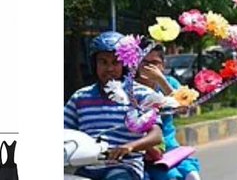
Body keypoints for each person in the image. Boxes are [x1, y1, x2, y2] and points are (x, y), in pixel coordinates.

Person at [64, 31, 165, 180]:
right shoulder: (80, 97)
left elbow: (156, 135)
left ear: (125, 64)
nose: (109, 68)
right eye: (103, 62)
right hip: (84, 167)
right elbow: (63, 131)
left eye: (115, 62)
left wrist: (130, 146)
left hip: (124, 167)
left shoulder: (141, 95)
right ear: (94, 64)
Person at [136, 45, 202, 180]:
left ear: (162, 65)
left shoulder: (169, 82)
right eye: (144, 63)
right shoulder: (130, 87)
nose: (149, 68)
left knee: (192, 175)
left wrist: (161, 81)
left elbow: (184, 108)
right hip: (140, 149)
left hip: (169, 147)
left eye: (154, 63)